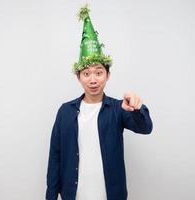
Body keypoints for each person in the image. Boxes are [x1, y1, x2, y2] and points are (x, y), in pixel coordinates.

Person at [45, 5, 153, 200]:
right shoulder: (65, 112)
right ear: (79, 78)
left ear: (107, 75)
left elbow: (146, 128)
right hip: (73, 193)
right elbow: (55, 156)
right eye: (86, 74)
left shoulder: (119, 109)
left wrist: (138, 109)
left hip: (110, 194)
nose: (93, 79)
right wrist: (51, 196)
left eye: (98, 72)